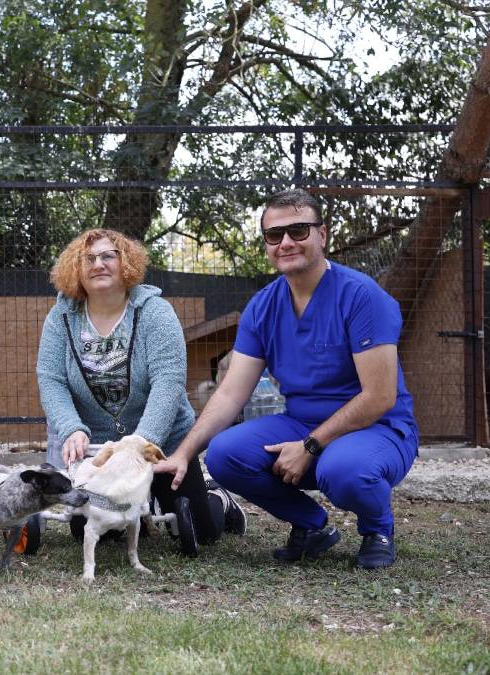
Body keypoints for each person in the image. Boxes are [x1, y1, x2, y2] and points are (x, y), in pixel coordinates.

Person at [155, 188, 418, 569]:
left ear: (322, 234)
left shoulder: (362, 297)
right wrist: (184, 452)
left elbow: (379, 397)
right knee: (226, 454)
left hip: (377, 428)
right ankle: (311, 526)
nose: (286, 243)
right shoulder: (263, 305)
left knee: (343, 470)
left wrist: (309, 445)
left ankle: (377, 529)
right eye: (274, 235)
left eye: (298, 230)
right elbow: (230, 394)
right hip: (301, 423)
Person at [37, 229, 244, 548]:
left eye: (108, 256)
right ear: (76, 269)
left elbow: (169, 381)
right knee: (90, 533)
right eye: (88, 259)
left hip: (159, 443)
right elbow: (51, 379)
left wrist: (141, 443)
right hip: (100, 450)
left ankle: (218, 499)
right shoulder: (61, 317)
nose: (98, 264)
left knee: (202, 533)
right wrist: (71, 429)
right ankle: (137, 513)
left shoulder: (155, 312)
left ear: (126, 264)